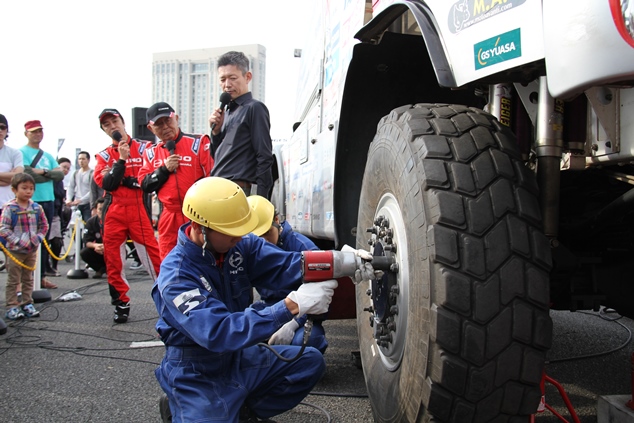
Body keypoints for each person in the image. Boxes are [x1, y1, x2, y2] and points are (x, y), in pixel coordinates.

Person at [152, 176, 341, 423]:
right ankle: (182, 403)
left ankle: (242, 413)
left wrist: (342, 262)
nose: (240, 237)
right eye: (232, 233)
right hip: (194, 370)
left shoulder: (237, 246)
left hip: (236, 356)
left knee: (309, 362)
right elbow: (219, 332)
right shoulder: (176, 276)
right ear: (200, 228)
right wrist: (291, 306)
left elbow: (287, 264)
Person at [94, 108, 161, 324]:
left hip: (138, 209)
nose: (112, 126)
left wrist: (125, 177)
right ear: (105, 131)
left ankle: (167, 297)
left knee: (153, 256)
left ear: (122, 122)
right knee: (114, 261)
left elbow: (152, 174)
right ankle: (121, 303)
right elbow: (108, 184)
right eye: (107, 125)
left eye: (114, 121)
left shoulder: (145, 147)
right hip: (113, 211)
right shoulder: (104, 155)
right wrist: (122, 163)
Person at [247, 195, 329, 353]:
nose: (264, 242)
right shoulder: (247, 249)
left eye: (267, 233)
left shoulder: (304, 248)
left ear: (277, 220)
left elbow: (321, 295)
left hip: (301, 314)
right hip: (268, 310)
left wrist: (293, 324)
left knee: (307, 342)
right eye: (258, 238)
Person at [139, 102, 213, 259]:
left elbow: (213, 179)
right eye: (159, 124)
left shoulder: (198, 143)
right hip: (169, 215)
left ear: (177, 119)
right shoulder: (151, 153)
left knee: (201, 259)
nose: (165, 127)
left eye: (168, 121)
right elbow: (144, 184)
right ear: (150, 129)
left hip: (198, 213)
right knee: (168, 261)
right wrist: (164, 170)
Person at [208, 51, 274, 199]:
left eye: (232, 78)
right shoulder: (226, 112)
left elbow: (264, 156)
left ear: (247, 77)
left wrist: (262, 200)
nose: (227, 85)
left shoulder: (254, 108)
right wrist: (216, 133)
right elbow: (217, 157)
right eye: (222, 79)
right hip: (217, 187)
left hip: (237, 190)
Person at [19, 120, 63, 289]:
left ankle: (41, 276)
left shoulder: (48, 155)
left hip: (48, 200)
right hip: (30, 200)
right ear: (26, 134)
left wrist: (44, 172)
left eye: (40, 131)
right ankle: (26, 279)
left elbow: (59, 174)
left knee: (43, 240)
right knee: (26, 239)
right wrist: (48, 174)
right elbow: (28, 175)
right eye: (34, 132)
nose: (38, 134)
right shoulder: (21, 152)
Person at [0, 173, 49, 320]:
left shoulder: (36, 207)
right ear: (14, 190)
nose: (28, 191)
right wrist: (19, 241)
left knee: (28, 278)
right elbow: (3, 228)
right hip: (15, 250)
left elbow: (44, 225)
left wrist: (38, 238)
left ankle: (27, 303)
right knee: (13, 279)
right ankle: (11, 306)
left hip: (32, 249)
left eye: (31, 188)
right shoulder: (10, 208)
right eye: (24, 188)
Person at [47, 157, 72, 275]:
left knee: (56, 240)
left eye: (68, 168)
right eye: (64, 167)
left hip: (57, 212)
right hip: (49, 210)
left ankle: (54, 266)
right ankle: (47, 266)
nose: (65, 170)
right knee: (48, 241)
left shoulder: (60, 181)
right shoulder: (52, 179)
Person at [0, 114, 24, 208]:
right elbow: (14, 177)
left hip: (8, 206)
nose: (0, 130)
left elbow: (18, 176)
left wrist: (13, 178)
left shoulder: (15, 153)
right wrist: (8, 179)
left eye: (3, 127)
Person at [80, 198, 106, 279]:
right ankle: (100, 269)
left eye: (105, 209)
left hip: (111, 248)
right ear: (96, 210)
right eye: (100, 209)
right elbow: (86, 241)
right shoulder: (91, 222)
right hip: (98, 249)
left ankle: (115, 271)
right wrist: (96, 246)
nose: (103, 212)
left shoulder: (116, 221)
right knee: (84, 252)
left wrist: (107, 246)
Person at [66, 150, 93, 223]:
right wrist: (68, 199)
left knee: (87, 225)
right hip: (76, 205)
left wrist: (81, 200)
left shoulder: (92, 173)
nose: (81, 161)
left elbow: (92, 190)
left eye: (83, 159)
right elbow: (70, 187)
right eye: (79, 159)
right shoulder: (75, 173)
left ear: (88, 160)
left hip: (88, 204)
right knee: (74, 225)